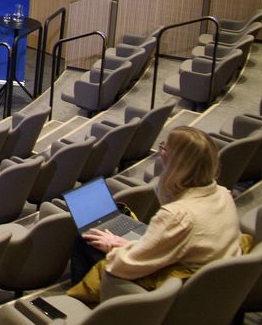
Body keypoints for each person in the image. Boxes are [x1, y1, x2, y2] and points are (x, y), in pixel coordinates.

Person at [68, 126, 245, 304]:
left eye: (163, 148)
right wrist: (128, 245)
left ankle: (81, 305)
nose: (160, 152)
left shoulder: (177, 215)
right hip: (209, 281)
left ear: (177, 162)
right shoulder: (223, 193)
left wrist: (113, 248)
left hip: (182, 292)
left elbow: (127, 265)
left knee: (87, 240)